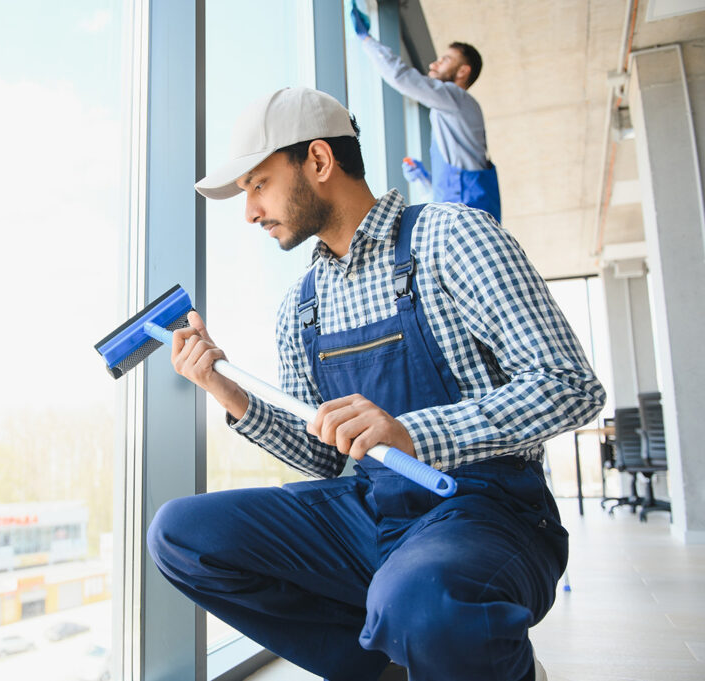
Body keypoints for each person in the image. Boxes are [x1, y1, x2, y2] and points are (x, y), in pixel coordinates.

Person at [146, 86, 604, 681]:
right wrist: (226, 390)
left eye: (257, 184)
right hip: (374, 510)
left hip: (487, 512)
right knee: (182, 534)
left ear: (317, 161)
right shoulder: (301, 307)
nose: (249, 212)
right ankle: (395, 668)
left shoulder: (453, 238)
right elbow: (323, 455)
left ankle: (466, 642)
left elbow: (570, 385)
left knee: (420, 602)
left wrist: (412, 433)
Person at [349, 0, 501, 223]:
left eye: (445, 60)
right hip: (462, 218)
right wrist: (424, 181)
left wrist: (367, 40)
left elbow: (402, 78)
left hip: (468, 220)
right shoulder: (449, 113)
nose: (433, 65)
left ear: (463, 71)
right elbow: (448, 195)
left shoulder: (457, 98)